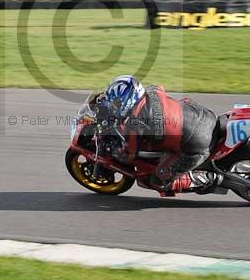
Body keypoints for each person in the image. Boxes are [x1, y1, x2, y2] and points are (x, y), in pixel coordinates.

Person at [97, 74, 229, 195]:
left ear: (128, 102)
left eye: (116, 103)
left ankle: (208, 179)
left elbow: (130, 155)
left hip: (198, 145)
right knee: (182, 102)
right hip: (204, 116)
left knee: (159, 178)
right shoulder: (152, 91)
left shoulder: (135, 124)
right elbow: (161, 89)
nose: (113, 106)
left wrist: (116, 152)